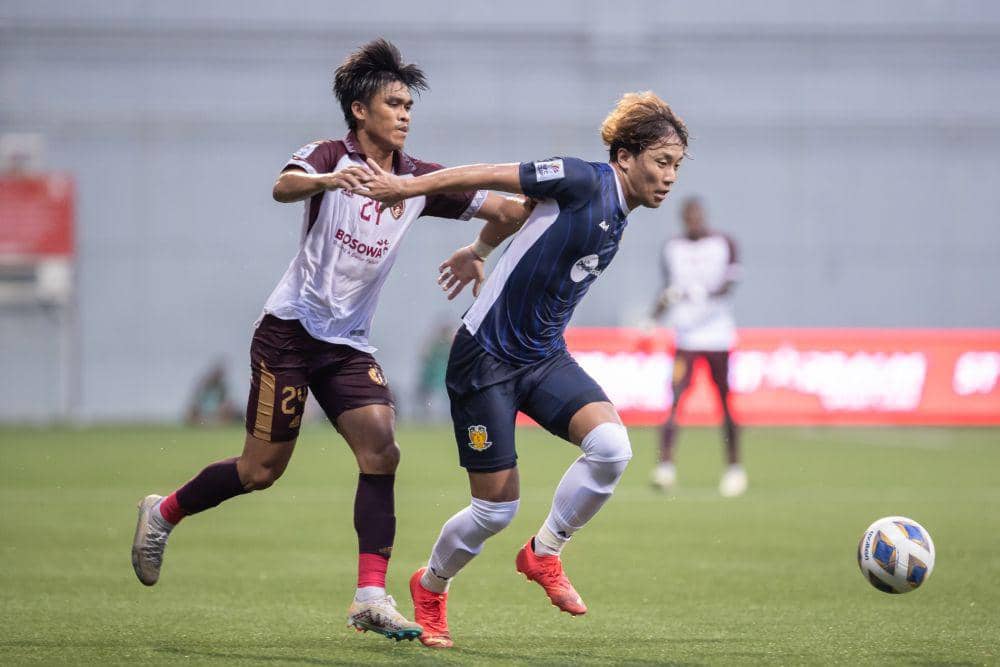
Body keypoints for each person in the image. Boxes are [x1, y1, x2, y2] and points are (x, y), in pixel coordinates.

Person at [130, 38, 531, 642]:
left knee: (382, 451)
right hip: (288, 334)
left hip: (347, 345)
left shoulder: (419, 179)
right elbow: (283, 186)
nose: (405, 114)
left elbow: (509, 209)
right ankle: (163, 513)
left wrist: (479, 250)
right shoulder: (328, 156)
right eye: (393, 103)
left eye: (409, 105)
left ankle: (370, 595)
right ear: (359, 111)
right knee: (260, 470)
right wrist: (327, 180)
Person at [359, 91, 688, 648]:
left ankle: (544, 553)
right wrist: (406, 186)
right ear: (625, 156)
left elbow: (526, 216)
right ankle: (430, 586)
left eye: (677, 165)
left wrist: (481, 249)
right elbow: (493, 176)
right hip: (484, 357)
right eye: (662, 162)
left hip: (542, 356)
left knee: (612, 448)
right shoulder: (585, 179)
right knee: (494, 509)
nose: (670, 177)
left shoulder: (619, 214)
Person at [649, 196, 745, 497]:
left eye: (697, 215)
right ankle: (665, 466)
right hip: (687, 337)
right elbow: (669, 289)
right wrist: (655, 314)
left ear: (703, 216)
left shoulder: (724, 243)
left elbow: (729, 284)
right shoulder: (672, 248)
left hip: (717, 335)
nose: (693, 221)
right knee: (675, 398)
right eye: (688, 217)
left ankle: (734, 468)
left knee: (724, 402)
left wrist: (699, 292)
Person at [184, 361, 240, 426]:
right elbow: (196, 400)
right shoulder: (204, 386)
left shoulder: (222, 388)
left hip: (217, 412)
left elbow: (226, 402)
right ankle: (206, 423)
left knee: (229, 409)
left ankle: (212, 423)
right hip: (203, 411)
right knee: (190, 411)